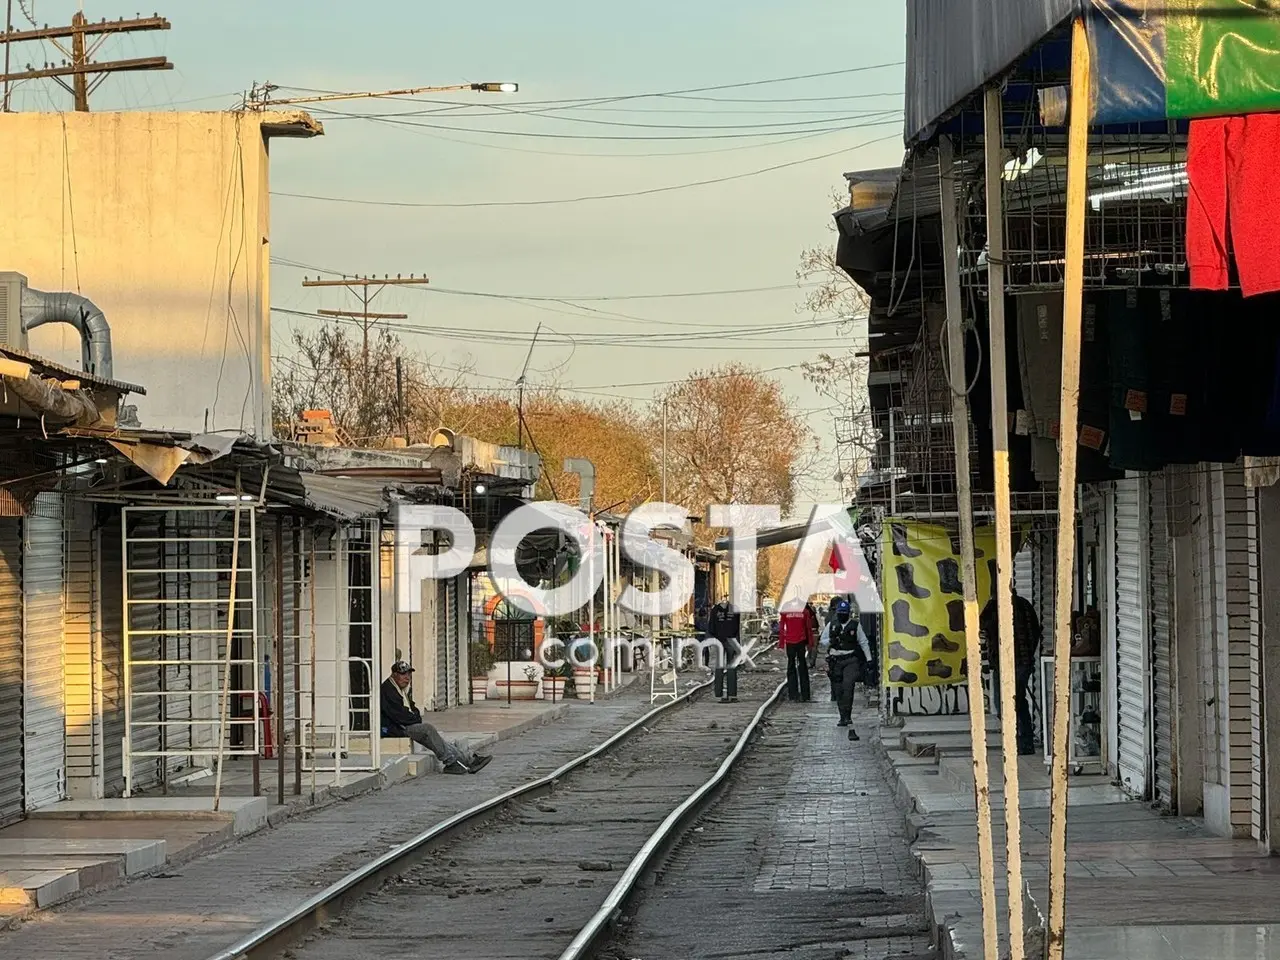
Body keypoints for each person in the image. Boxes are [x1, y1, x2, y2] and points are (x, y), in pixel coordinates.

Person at [381, 661, 492, 774]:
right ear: (394, 675)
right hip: (394, 729)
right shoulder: (389, 690)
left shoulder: (402, 689)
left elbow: (413, 709)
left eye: (409, 674)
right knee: (427, 729)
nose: (407, 678)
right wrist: (415, 718)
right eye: (403, 674)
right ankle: (451, 761)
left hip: (405, 725)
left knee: (437, 739)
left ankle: (468, 760)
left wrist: (415, 717)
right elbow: (400, 716)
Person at [979, 584, 1042, 756]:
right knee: (1017, 700)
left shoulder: (996, 608)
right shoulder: (1024, 605)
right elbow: (1036, 632)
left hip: (1012, 662)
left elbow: (982, 624)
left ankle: (1020, 740)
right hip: (1020, 661)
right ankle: (1023, 740)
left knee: (1007, 703)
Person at [827, 599, 873, 740]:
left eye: (844, 613)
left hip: (850, 660)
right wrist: (830, 642)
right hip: (836, 661)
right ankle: (842, 716)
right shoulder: (832, 625)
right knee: (839, 688)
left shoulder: (855, 626)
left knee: (848, 686)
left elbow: (863, 642)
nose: (842, 615)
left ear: (848, 613)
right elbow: (823, 640)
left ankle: (848, 715)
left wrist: (869, 659)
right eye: (840, 613)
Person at [778, 600, 816, 702]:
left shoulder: (786, 609)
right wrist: (810, 643)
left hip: (790, 641)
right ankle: (805, 695)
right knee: (802, 666)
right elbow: (808, 628)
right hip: (801, 641)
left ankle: (793, 694)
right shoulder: (804, 610)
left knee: (791, 666)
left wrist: (781, 643)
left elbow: (782, 627)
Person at [707, 598, 741, 702]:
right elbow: (737, 628)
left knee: (720, 668)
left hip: (720, 641)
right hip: (731, 640)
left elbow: (711, 627)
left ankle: (720, 693)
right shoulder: (735, 609)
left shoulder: (715, 610)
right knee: (731, 667)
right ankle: (732, 694)